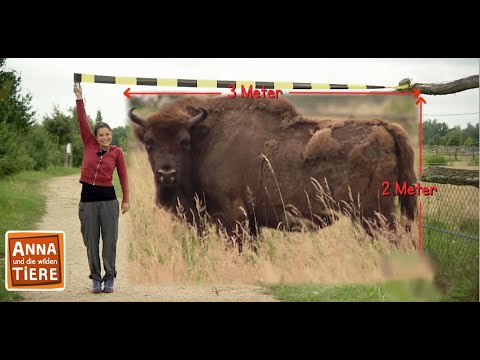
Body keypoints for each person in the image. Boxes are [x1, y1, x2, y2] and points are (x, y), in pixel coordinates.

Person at [74, 82, 129, 294]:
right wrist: (79, 98)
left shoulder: (117, 152)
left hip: (108, 201)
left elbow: (123, 176)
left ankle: (110, 277)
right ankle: (96, 279)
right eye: (101, 135)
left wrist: (126, 199)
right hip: (87, 201)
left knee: (109, 242)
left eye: (108, 134)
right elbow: (82, 120)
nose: (106, 137)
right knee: (91, 242)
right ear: (95, 137)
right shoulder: (89, 145)